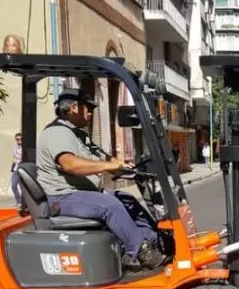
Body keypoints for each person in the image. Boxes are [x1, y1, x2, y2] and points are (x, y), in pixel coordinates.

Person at [36, 88, 166, 270]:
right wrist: (108, 166)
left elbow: (96, 160)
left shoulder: (76, 134)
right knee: (110, 205)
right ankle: (143, 253)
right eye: (87, 108)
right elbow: (70, 164)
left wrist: (120, 166)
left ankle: (156, 242)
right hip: (62, 197)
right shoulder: (57, 133)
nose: (90, 113)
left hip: (78, 194)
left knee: (125, 199)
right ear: (74, 108)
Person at [10, 132, 23, 206]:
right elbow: (14, 156)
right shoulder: (14, 147)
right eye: (17, 139)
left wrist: (19, 158)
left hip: (23, 169)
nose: (19, 141)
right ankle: (18, 201)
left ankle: (24, 202)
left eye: (20, 139)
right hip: (16, 168)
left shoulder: (25, 147)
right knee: (13, 185)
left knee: (23, 187)